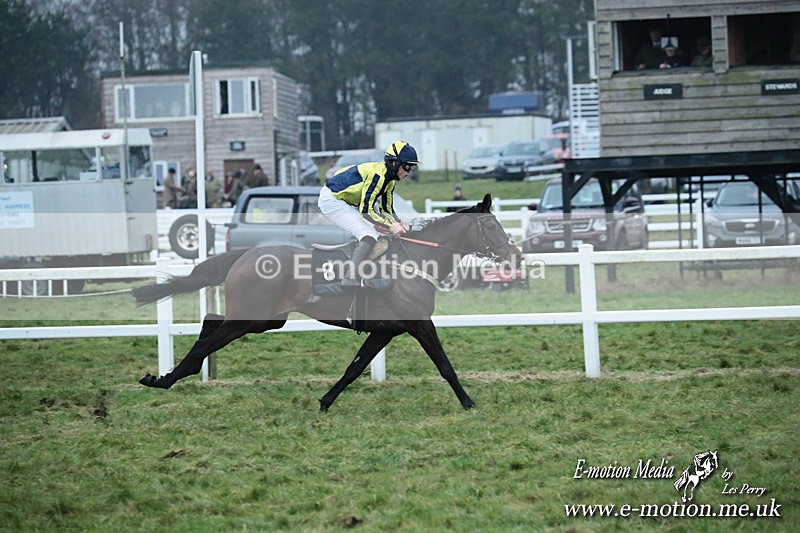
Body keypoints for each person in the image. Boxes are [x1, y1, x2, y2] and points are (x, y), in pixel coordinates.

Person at [318, 140, 420, 287]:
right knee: (368, 234)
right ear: (393, 163)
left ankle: (370, 272)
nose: (409, 172)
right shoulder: (378, 176)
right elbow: (366, 212)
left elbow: (387, 209)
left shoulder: (390, 180)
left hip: (349, 200)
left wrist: (398, 223)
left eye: (412, 168)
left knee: (379, 233)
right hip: (332, 200)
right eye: (407, 167)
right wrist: (390, 226)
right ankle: (350, 277)